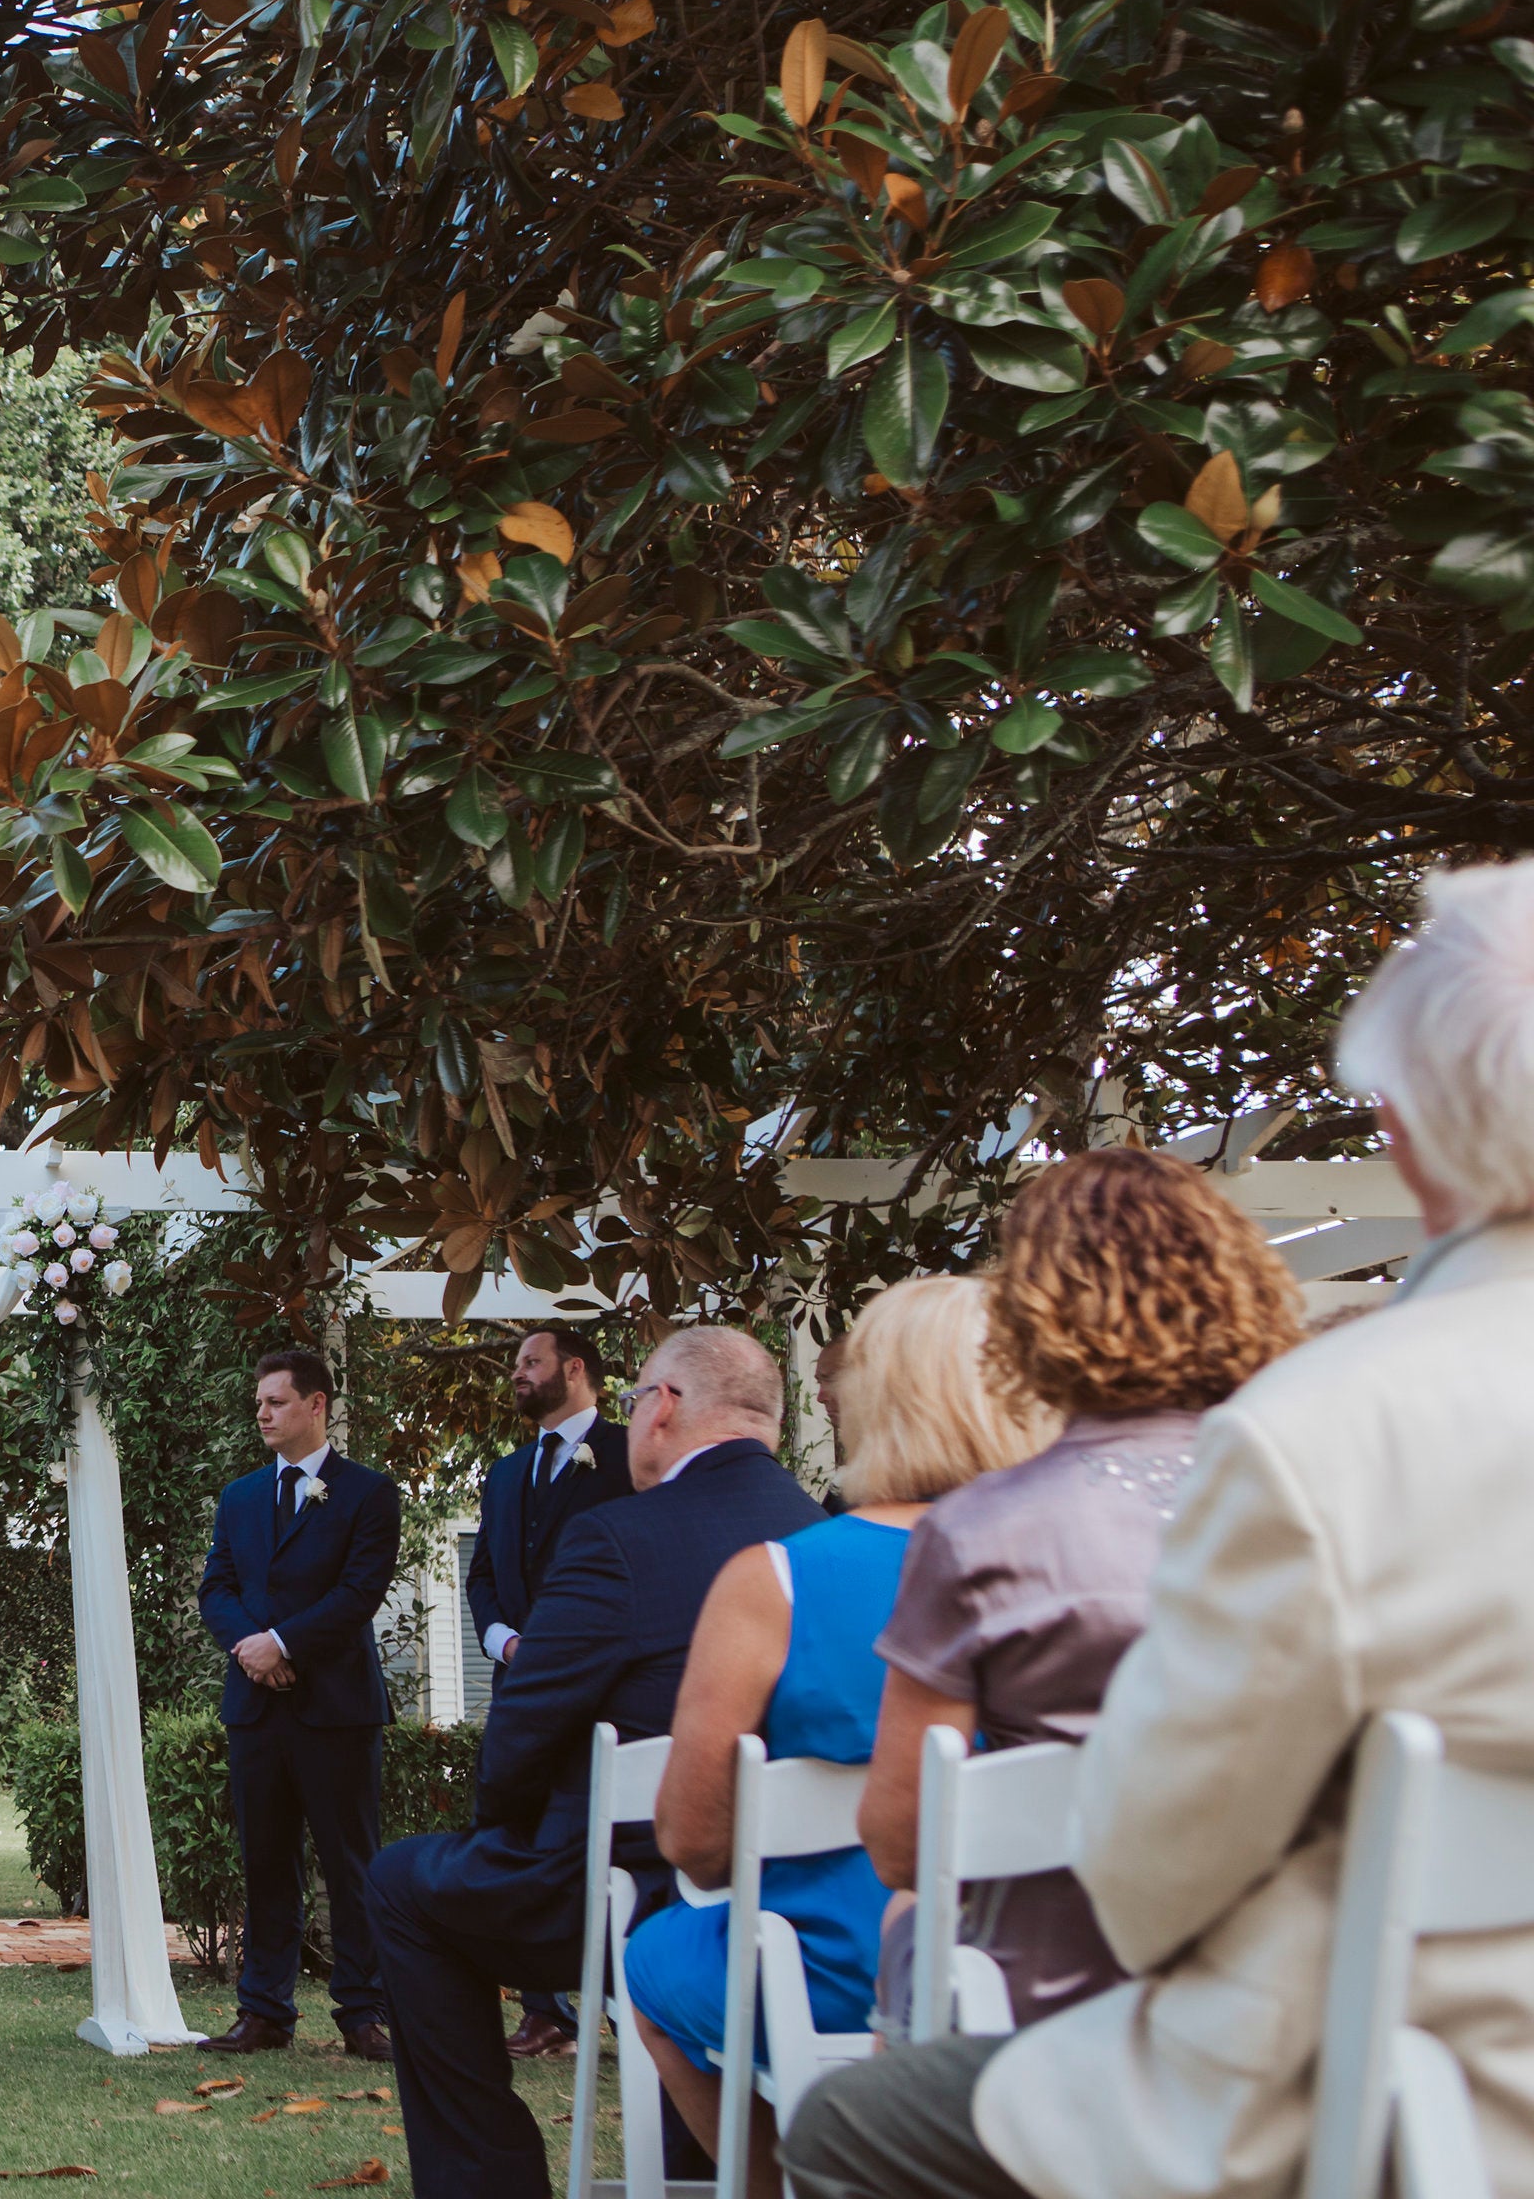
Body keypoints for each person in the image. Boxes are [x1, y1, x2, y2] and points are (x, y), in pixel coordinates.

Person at [789, 855, 1534, 2199]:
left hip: (1395, 2088)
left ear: (1411, 1125)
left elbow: (1150, 1873)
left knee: (850, 2130)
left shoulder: (1331, 1431)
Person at [849, 1145, 1306, 2038]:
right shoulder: (1320, 1497)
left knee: (838, 2127)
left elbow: (904, 1844)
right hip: (1288, 2005)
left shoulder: (981, 1532)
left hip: (1044, 2013)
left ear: (1028, 1314)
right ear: (1242, 1287)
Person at [366, 1323, 825, 2199]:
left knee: (402, 1883)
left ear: (666, 1407)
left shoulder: (618, 1538)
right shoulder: (825, 1539)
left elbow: (523, 1733)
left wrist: (501, 1835)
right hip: (786, 1903)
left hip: (621, 1887)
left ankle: (488, 2182)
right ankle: (693, 2165)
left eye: (636, 1399)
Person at [617, 1277, 1046, 2198]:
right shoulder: (1076, 1561)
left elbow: (690, 1840)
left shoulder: (777, 1578)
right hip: (1049, 1969)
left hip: (828, 1972)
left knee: (648, 1959)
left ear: (875, 1406)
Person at [194, 1346, 404, 2063]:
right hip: (256, 1708)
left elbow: (358, 1593)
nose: (262, 1413)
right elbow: (215, 1588)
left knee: (352, 1864)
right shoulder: (240, 1495)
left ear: (317, 1406)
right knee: (266, 1861)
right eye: (259, 1403)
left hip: (337, 1708)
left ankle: (363, 2013)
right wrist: (251, 1648)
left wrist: (283, 1643)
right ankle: (264, 2012)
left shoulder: (370, 1494)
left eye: (276, 1402)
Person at [464, 1322, 632, 2059]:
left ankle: (633, 2006)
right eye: (515, 1365)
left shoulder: (631, 1457)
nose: (517, 1374)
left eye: (530, 1362)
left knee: (617, 1843)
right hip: (520, 1689)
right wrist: (504, 1640)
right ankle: (545, 2010)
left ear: (576, 1368)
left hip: (610, 1692)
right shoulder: (503, 1475)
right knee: (526, 1841)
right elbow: (484, 1577)